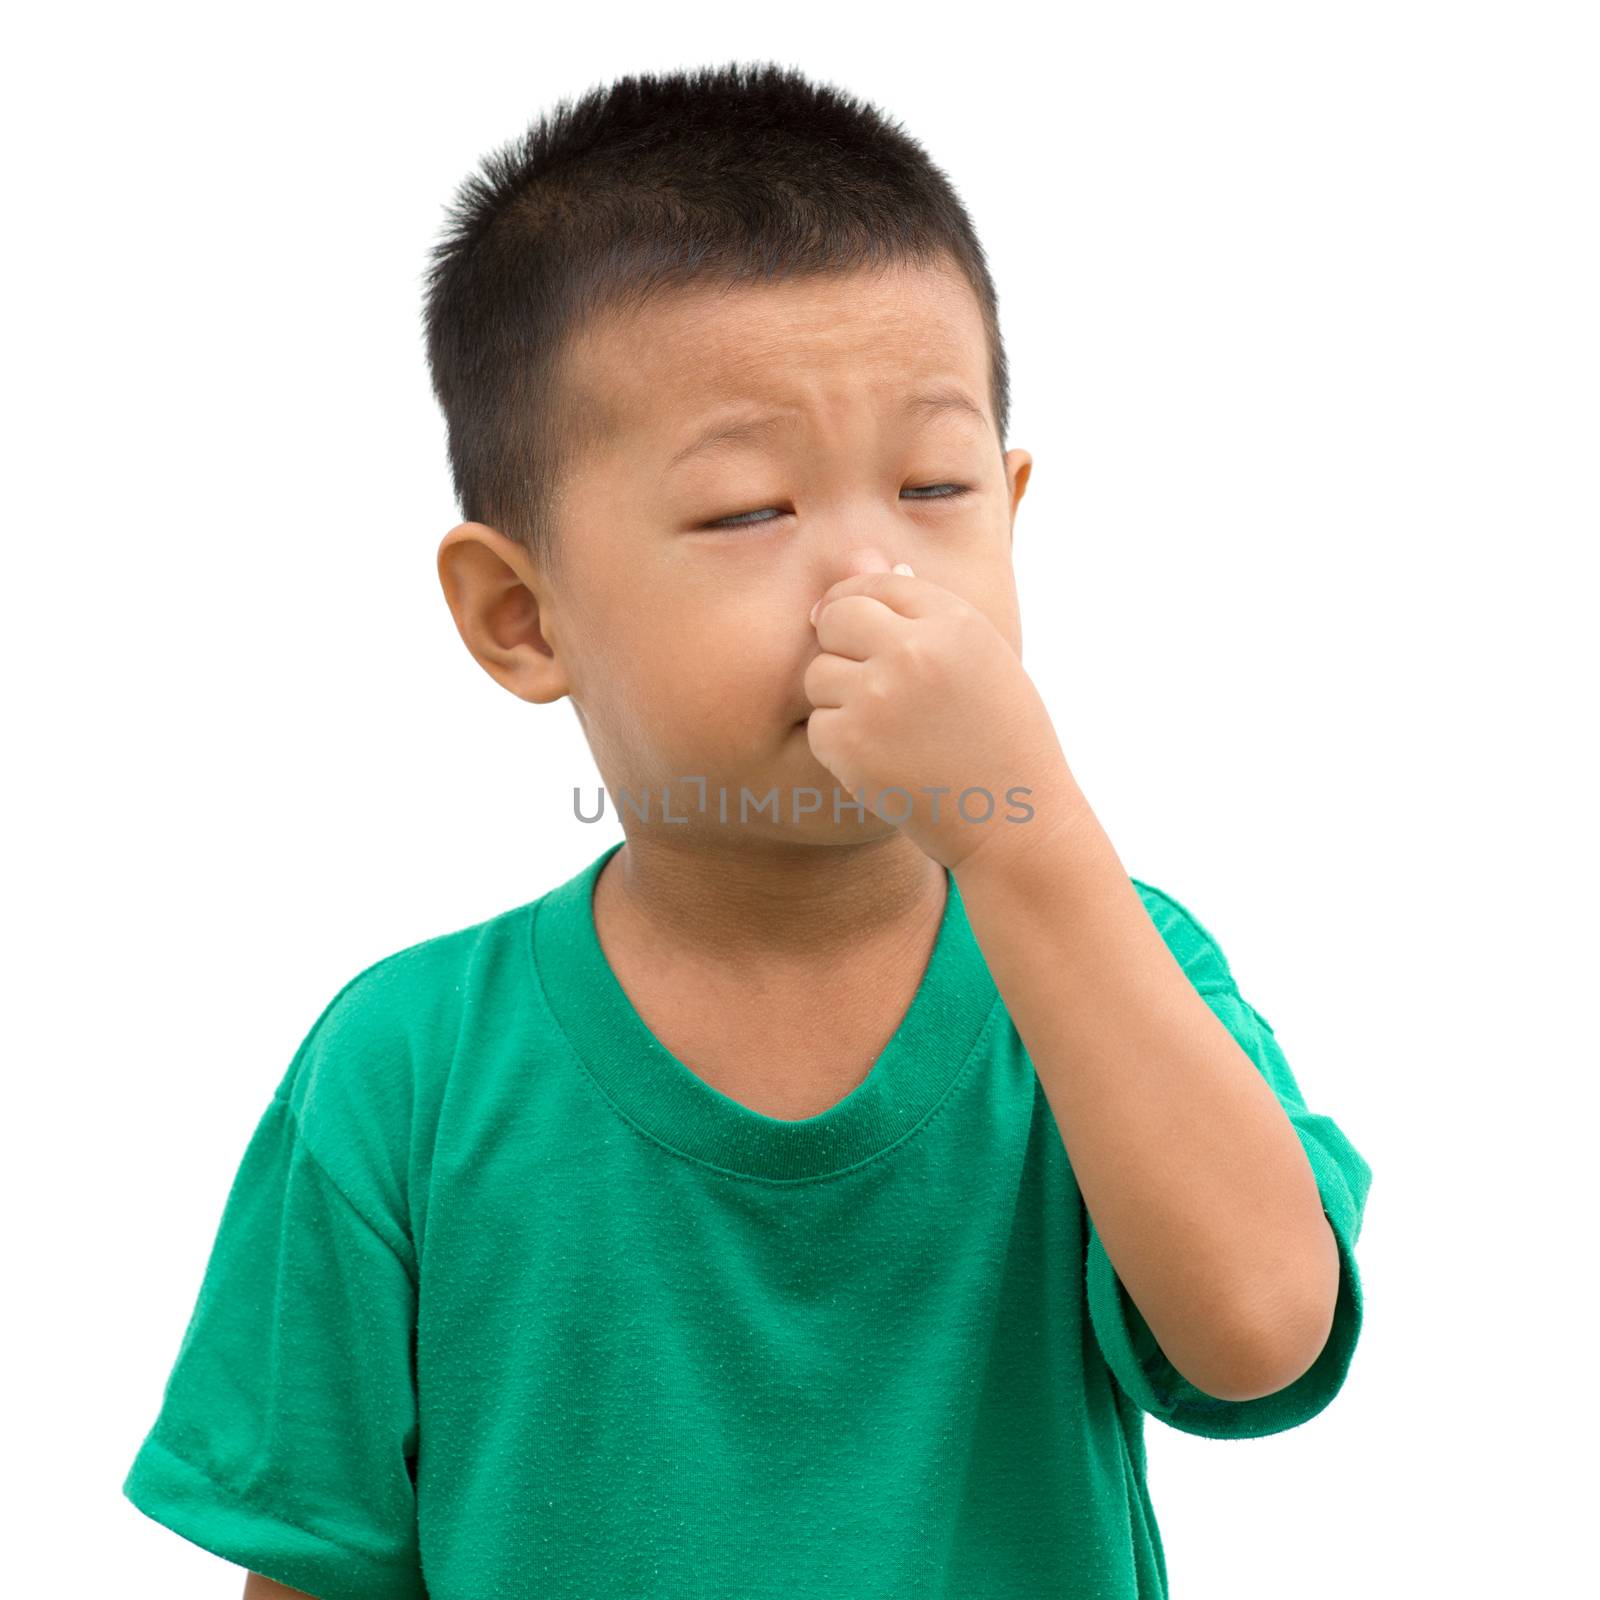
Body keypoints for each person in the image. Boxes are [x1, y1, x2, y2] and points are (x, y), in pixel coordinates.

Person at [122, 60, 1372, 1600]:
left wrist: (1027, 832)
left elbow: (1257, 1339)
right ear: (521, 617)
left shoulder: (1108, 962)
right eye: (747, 512)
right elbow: (313, 1563)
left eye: (934, 487)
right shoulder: (405, 1070)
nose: (871, 579)